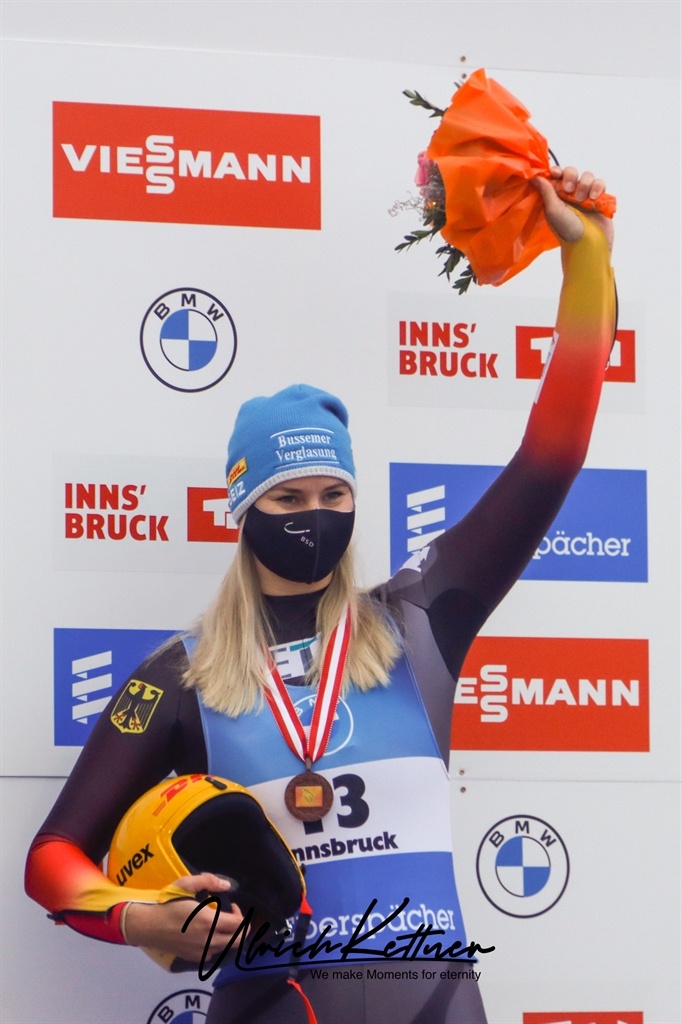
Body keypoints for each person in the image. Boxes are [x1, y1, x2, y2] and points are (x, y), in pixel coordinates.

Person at [26, 166, 616, 1024]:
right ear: (243, 511)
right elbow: (53, 858)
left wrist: (588, 259)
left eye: (334, 494)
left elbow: (552, 458)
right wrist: (140, 917)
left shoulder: (419, 620)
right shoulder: (179, 677)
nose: (315, 515)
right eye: (289, 498)